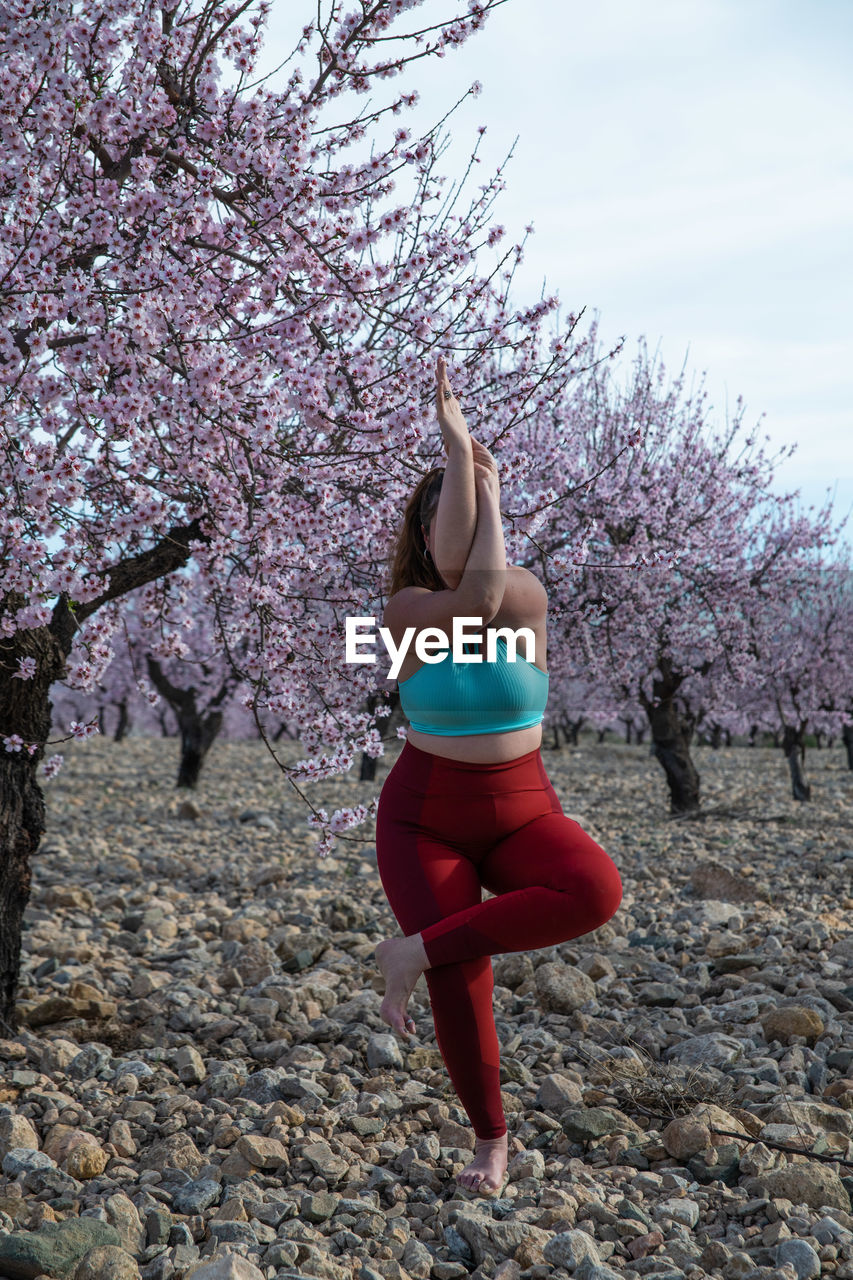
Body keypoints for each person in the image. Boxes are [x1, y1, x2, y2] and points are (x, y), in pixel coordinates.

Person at [374, 355, 623, 1196]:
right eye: (448, 510)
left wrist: (485, 483)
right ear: (423, 528)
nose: (464, 525)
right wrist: (457, 459)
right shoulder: (404, 613)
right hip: (424, 817)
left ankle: (409, 951)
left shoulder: (524, 595)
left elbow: (481, 590)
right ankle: (491, 1140)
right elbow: (459, 595)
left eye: (473, 511)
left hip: (523, 811)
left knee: (594, 890)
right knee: (463, 971)